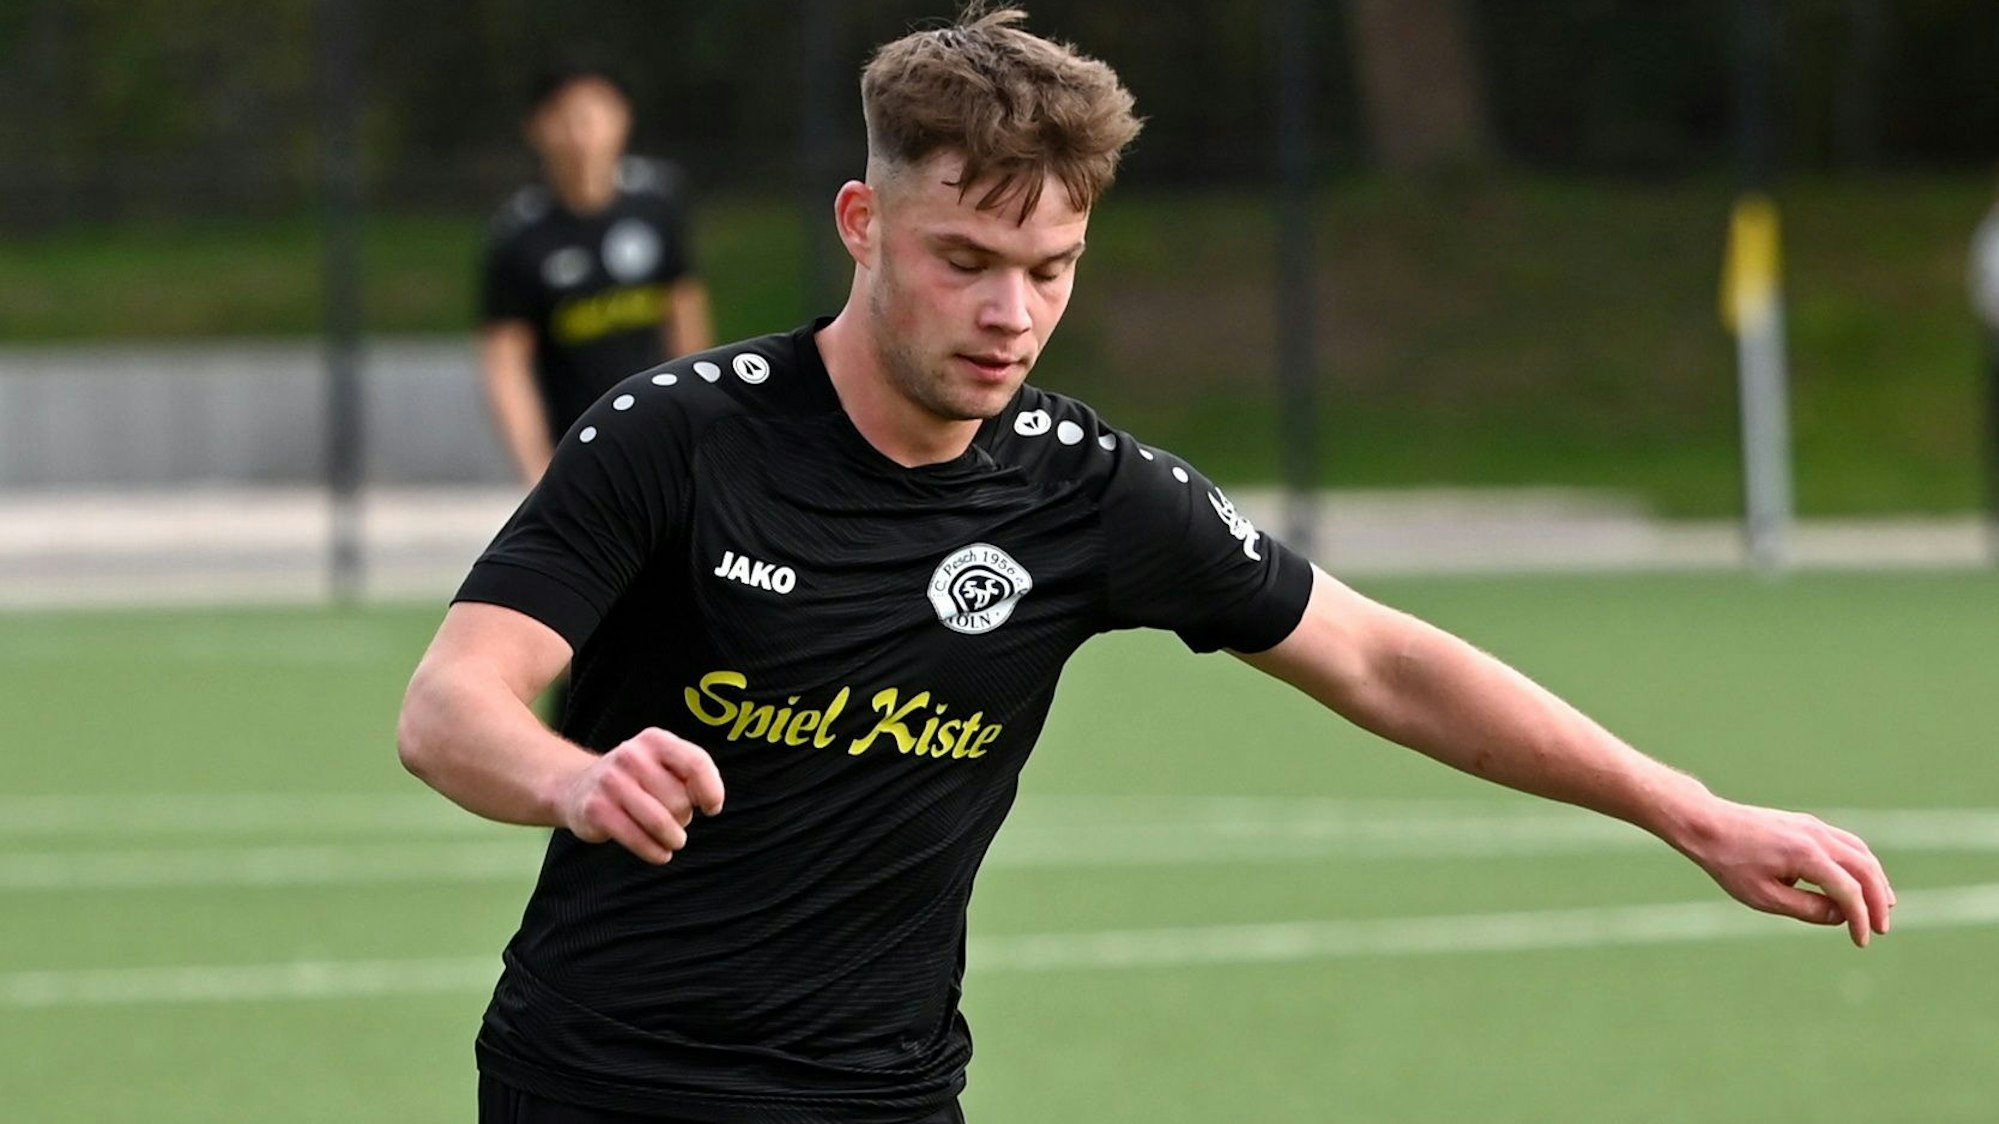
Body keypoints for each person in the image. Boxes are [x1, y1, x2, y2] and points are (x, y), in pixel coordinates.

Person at [400, 8, 1895, 1122]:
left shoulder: (1079, 488)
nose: (1010, 313)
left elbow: (1373, 657)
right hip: (599, 1081)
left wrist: (1685, 812)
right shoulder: (678, 437)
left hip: (882, 1095)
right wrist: (574, 780)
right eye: (964, 262)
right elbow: (451, 707)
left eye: (1049, 269)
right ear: (861, 225)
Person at [479, 57, 714, 487]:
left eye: (595, 112)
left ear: (623, 117)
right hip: (575, 457)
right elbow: (505, 360)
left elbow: (684, 314)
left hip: (658, 443)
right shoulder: (518, 236)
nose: (581, 132)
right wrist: (537, 469)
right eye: (565, 115)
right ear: (536, 128)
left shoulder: (658, 205)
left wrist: (696, 420)